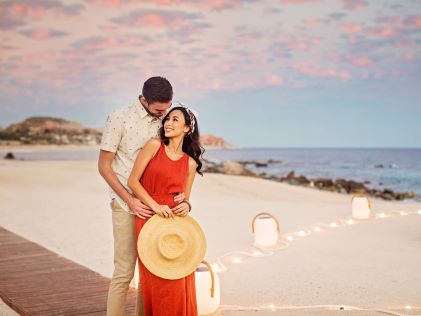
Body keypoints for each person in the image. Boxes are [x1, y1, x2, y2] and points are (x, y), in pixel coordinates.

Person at [98, 76, 186, 316]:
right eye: (159, 110)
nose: (164, 115)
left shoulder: (165, 120)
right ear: (144, 100)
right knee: (124, 271)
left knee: (150, 270)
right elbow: (104, 167)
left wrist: (184, 199)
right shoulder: (119, 117)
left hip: (156, 206)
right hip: (127, 204)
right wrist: (130, 201)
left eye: (168, 110)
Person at [127, 105, 204, 315]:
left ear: (187, 128)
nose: (168, 123)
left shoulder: (189, 163)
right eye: (167, 119)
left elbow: (186, 200)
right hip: (148, 218)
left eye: (175, 120)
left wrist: (186, 205)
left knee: (178, 280)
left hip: (175, 225)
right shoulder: (154, 146)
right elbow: (133, 181)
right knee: (156, 282)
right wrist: (155, 206)